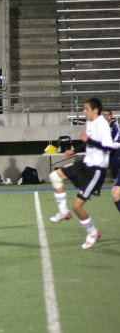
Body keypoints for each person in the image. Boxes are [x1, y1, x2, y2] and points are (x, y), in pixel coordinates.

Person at [49, 97, 113, 249]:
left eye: (86, 109)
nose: (83, 111)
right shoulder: (90, 122)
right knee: (55, 176)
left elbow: (108, 147)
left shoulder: (103, 124)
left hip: (96, 169)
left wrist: (89, 140)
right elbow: (87, 142)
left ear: (95, 110)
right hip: (85, 163)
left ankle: (93, 232)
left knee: (77, 206)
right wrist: (74, 150)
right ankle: (63, 211)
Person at [102, 109, 120, 178]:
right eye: (105, 115)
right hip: (106, 150)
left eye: (108, 115)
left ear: (111, 116)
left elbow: (118, 133)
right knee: (109, 168)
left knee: (116, 168)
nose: (106, 117)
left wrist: (113, 143)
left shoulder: (114, 124)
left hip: (115, 149)